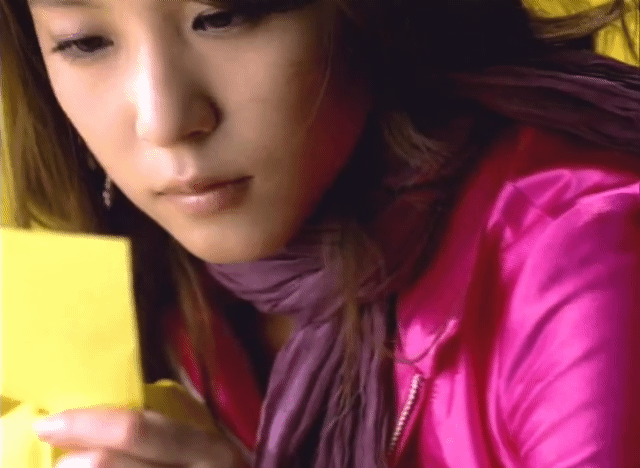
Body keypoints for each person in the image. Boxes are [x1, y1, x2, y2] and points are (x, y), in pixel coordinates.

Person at [1, 0, 639, 467]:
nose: (165, 120)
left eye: (224, 16)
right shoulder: (142, 293)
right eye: (85, 42)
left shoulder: (587, 253)